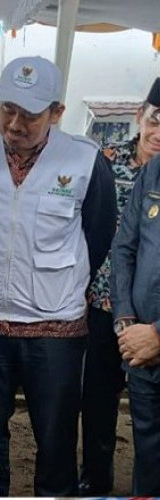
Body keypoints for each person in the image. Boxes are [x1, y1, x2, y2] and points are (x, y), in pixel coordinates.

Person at [0, 56, 117, 496]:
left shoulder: (85, 162)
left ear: (57, 112)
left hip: (56, 333)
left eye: (29, 114)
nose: (14, 124)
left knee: (56, 442)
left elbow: (98, 235)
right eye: (6, 109)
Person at [81, 77, 160, 496]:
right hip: (103, 306)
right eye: (155, 120)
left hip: (149, 317)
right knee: (97, 403)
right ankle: (97, 480)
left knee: (148, 418)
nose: (158, 133)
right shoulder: (104, 163)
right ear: (140, 118)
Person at [110, 107, 160, 499]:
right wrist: (126, 323)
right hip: (142, 351)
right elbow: (124, 249)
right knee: (148, 455)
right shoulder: (152, 173)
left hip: (152, 340)